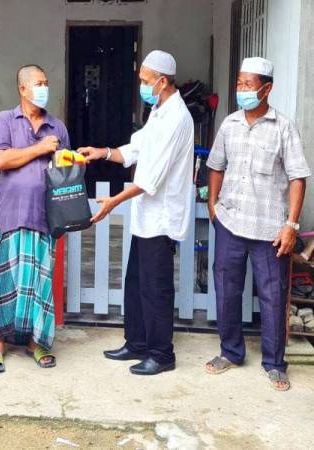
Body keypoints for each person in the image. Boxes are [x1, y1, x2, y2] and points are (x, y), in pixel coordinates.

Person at [79, 50, 194, 376]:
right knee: (135, 282)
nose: (142, 85)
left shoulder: (177, 118)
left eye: (146, 80)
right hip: (146, 217)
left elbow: (150, 178)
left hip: (163, 218)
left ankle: (162, 354)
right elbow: (136, 149)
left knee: (155, 288)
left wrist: (114, 200)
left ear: (162, 81)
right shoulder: (158, 111)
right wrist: (101, 153)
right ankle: (137, 343)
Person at [205, 57, 311, 391]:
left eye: (248, 85)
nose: (241, 90)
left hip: (270, 230)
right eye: (239, 83)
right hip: (231, 222)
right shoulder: (229, 124)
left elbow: (297, 177)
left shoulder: (284, 127)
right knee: (226, 291)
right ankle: (231, 351)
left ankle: (274, 363)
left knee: (272, 296)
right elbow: (216, 165)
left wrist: (291, 224)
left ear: (267, 89)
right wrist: (213, 204)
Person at [0, 64, 70, 372]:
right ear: (23, 89)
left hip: (45, 216)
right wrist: (39, 149)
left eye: (47, 82)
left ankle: (37, 342)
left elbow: (66, 172)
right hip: (13, 213)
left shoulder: (56, 127)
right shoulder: (6, 120)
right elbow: (1, 159)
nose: (44, 87)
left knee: (39, 284)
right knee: (7, 281)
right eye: (39, 83)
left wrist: (68, 159)